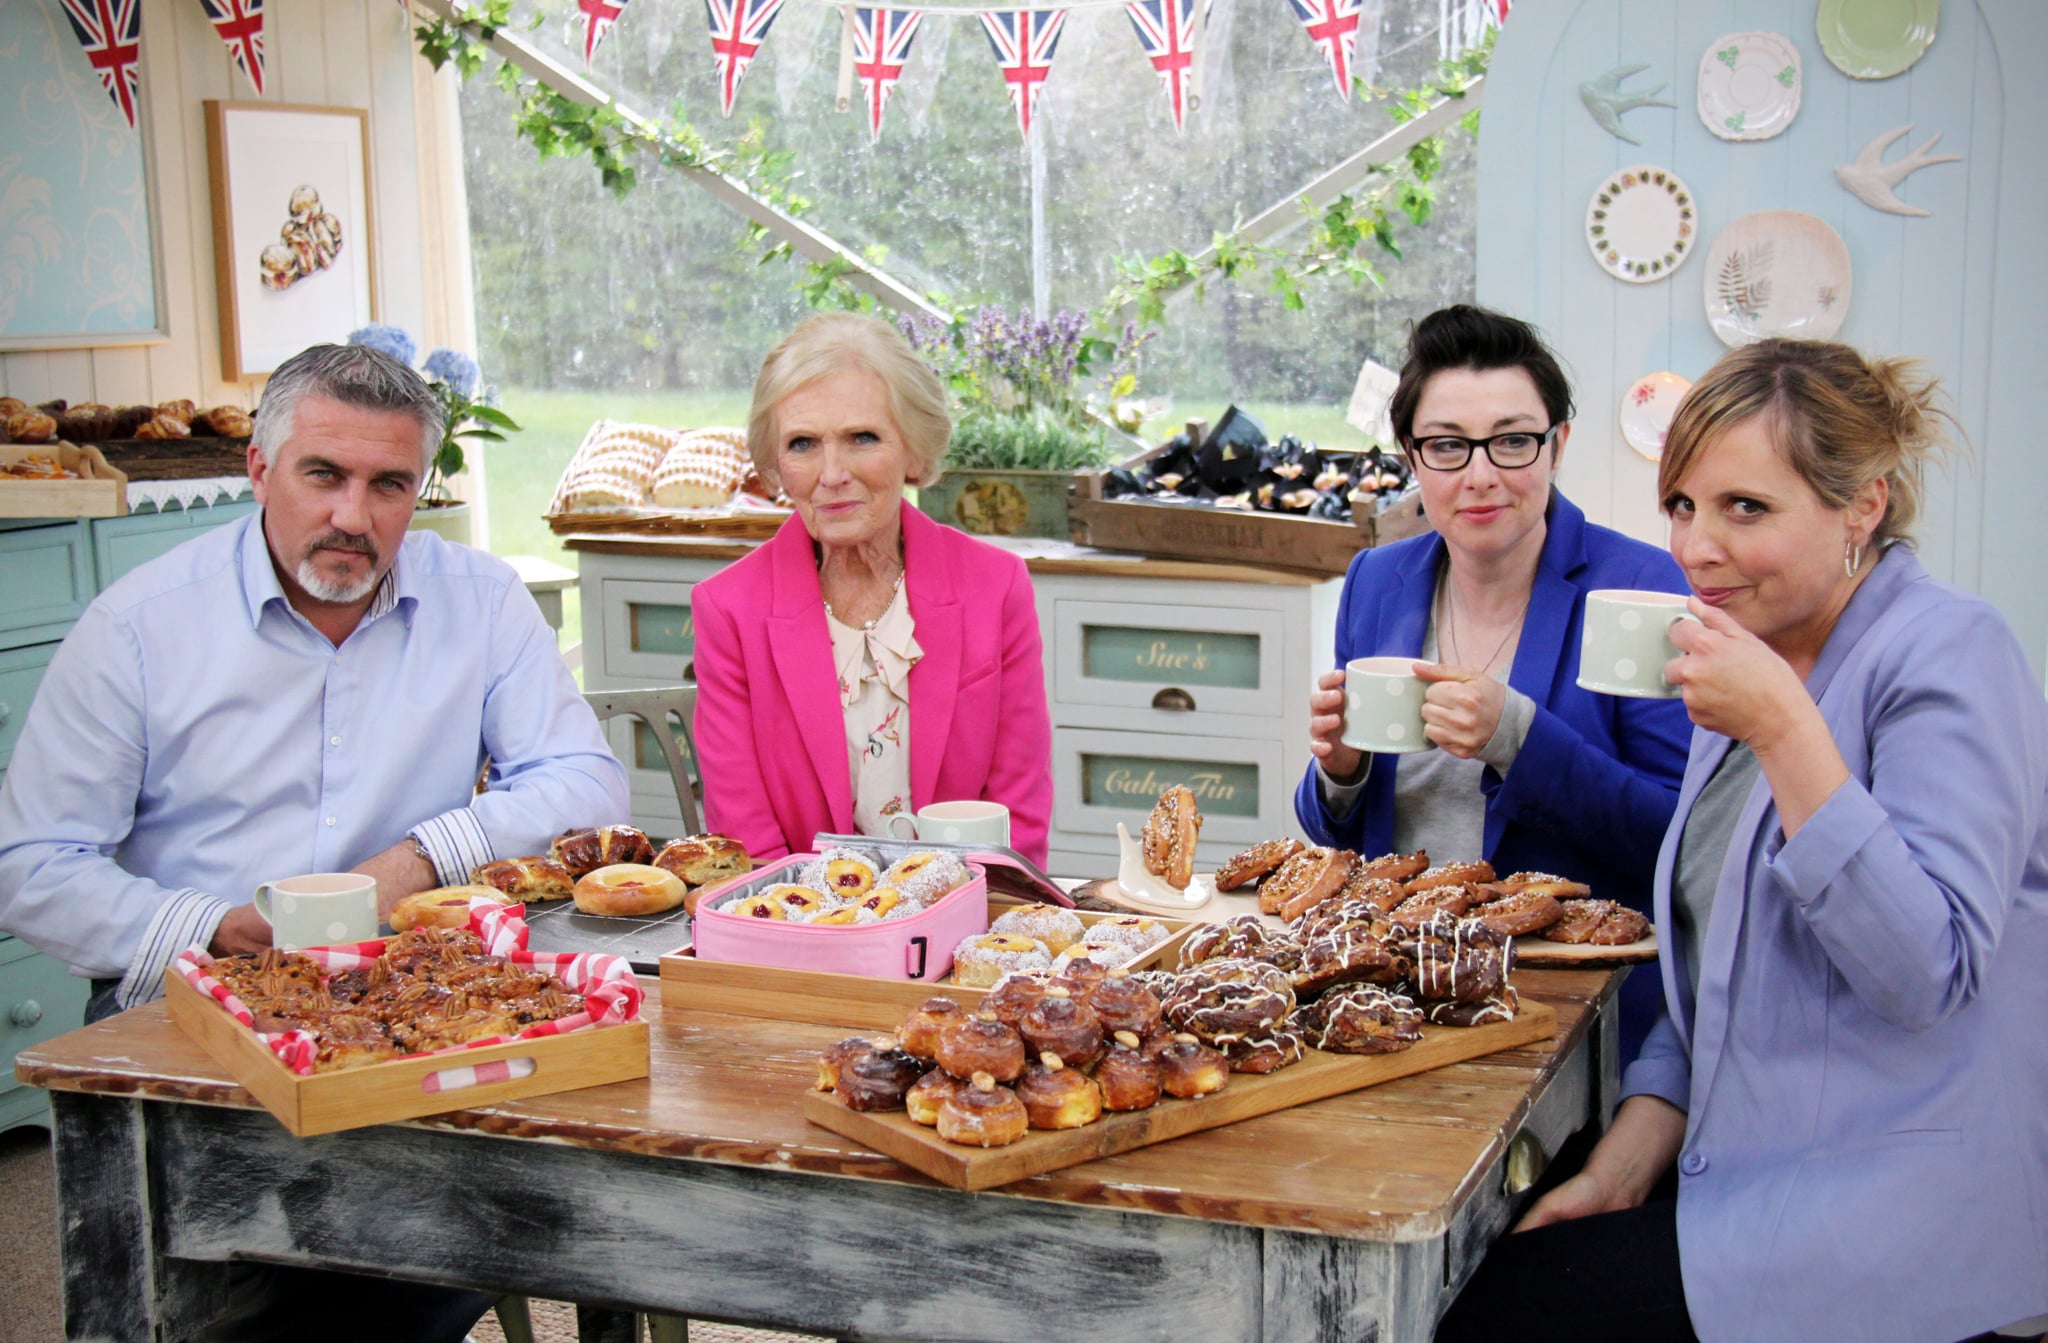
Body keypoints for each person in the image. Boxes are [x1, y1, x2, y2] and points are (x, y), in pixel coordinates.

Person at [0, 342, 629, 1343]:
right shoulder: (137, 627)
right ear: (258, 467)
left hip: (416, 1009)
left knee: (518, 1214)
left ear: (420, 486)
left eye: (389, 485)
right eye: (322, 474)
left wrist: (416, 858)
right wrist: (213, 926)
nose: (352, 515)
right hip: (188, 1020)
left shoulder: (479, 599)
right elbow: (28, 863)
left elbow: (585, 780)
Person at [1436, 340, 2048, 1343]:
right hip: (1753, 1176)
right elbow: (1708, 962)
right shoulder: (1751, 657)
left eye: (1743, 508)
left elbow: (1925, 972)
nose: (1693, 546)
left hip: (1901, 1214)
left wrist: (1783, 729)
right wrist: (1626, 1160)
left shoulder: (1947, 653)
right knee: (1480, 1255)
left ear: (1862, 507)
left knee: (1491, 1313)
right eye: (1680, 503)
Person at [1294, 305, 1692, 1059]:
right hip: (1396, 1005)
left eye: (1511, 442)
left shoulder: (1641, 589)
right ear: (1413, 456)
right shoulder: (1376, 580)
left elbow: (1675, 839)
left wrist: (1518, 736)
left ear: (1557, 445)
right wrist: (1338, 776)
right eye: (1448, 446)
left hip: (1565, 1012)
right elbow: (1344, 837)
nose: (1480, 475)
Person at [692, 312, 1054, 865]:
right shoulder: (728, 610)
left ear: (915, 450)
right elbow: (747, 841)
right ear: (774, 465)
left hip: (965, 918)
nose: (832, 473)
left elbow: (1018, 816)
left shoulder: (995, 587)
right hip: (799, 928)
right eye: (803, 444)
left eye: (862, 437)